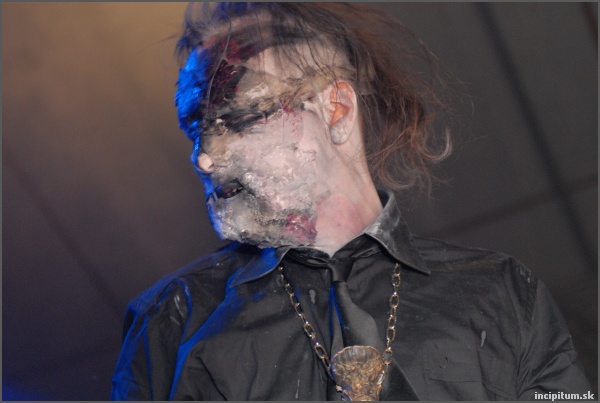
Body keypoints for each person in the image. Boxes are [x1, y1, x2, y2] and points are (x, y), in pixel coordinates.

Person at [111, 3, 591, 400]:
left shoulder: (501, 292)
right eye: (196, 129)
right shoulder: (172, 318)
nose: (205, 158)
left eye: (240, 118)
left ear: (336, 109)